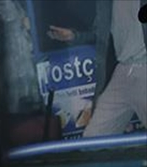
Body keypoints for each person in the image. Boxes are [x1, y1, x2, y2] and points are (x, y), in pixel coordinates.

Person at [47, 1, 147, 138]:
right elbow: (101, 33)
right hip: (122, 71)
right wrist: (74, 36)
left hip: (144, 69)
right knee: (94, 140)